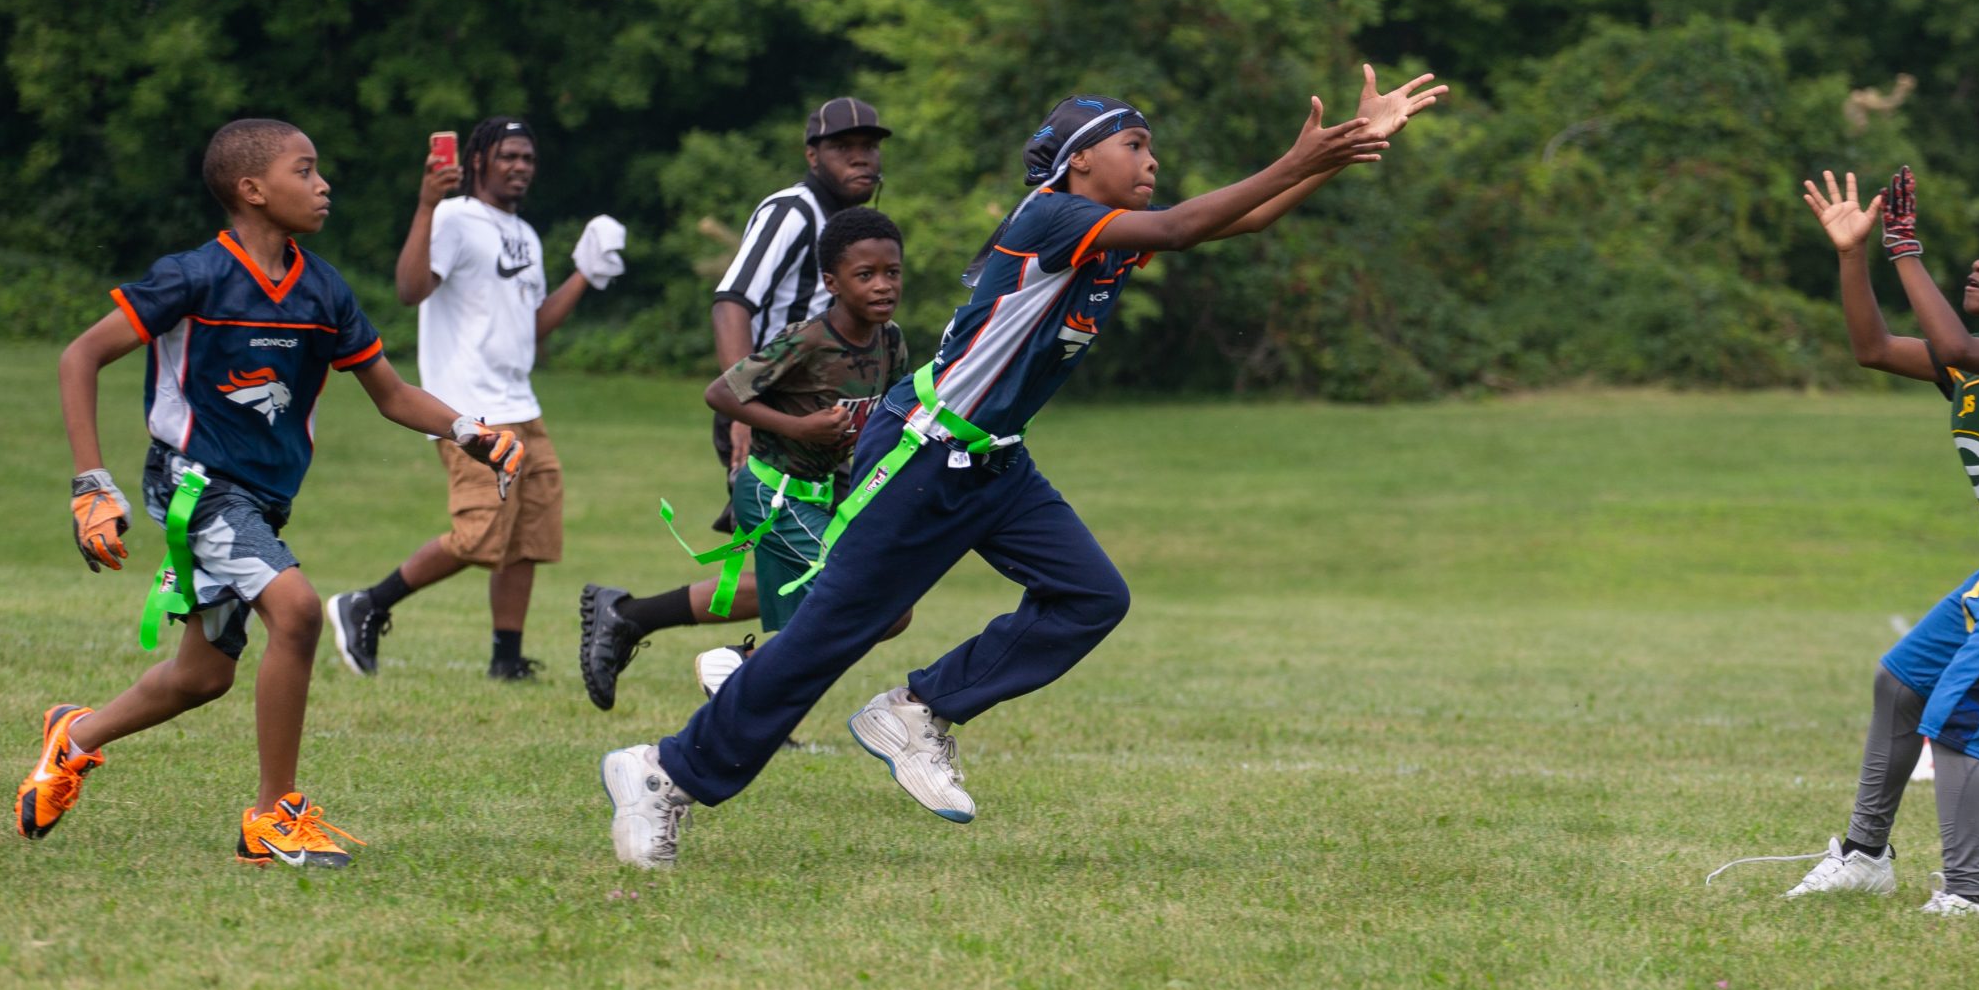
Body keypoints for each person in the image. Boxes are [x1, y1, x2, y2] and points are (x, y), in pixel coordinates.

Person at [601, 68, 1447, 869]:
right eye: (1136, 146)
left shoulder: (1107, 236)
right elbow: (1188, 224)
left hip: (994, 461)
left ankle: (918, 709)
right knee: (828, 634)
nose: (1153, 163)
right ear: (1081, 160)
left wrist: (1350, 151)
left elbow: (1243, 221)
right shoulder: (1050, 217)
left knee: (1090, 596)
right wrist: (1309, 151)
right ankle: (661, 772)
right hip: (923, 451)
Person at [17, 118, 524, 865]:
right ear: (252, 189)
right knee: (295, 611)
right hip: (194, 483)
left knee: (202, 675)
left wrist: (468, 429)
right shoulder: (194, 276)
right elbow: (80, 356)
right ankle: (273, 816)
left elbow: (388, 393)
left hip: (259, 499)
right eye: (305, 170)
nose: (323, 185)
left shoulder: (323, 290)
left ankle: (74, 737)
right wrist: (92, 484)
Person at [1744, 167, 1979, 914]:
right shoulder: (1977, 361)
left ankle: (1965, 891)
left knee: (1955, 721)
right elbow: (1874, 348)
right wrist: (1855, 254)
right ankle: (1863, 855)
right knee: (1901, 683)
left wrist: (1904, 246)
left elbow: (1948, 338)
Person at [578, 206, 916, 712]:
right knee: (854, 598)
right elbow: (722, 393)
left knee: (887, 609)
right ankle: (743, 678)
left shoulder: (890, 343)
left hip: (826, 490)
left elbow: (888, 415)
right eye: (865, 275)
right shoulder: (808, 340)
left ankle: (632, 619)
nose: (882, 285)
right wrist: (800, 427)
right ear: (832, 282)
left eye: (892, 273)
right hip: (771, 492)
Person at [324, 117, 623, 682]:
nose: (520, 167)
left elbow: (532, 329)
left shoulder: (527, 235)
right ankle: (367, 602)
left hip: (522, 404)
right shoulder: (456, 217)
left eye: (528, 158)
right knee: (480, 534)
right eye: (509, 155)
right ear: (479, 160)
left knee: (530, 536)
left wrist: (585, 273)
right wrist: (425, 206)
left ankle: (506, 658)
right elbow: (412, 289)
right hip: (468, 407)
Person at [705, 98, 890, 529]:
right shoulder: (793, 211)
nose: (861, 156)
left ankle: (622, 604)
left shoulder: (854, 223)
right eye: (844, 146)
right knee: (821, 567)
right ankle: (625, 604)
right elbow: (732, 300)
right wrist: (743, 410)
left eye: (870, 146)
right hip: (773, 411)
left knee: (826, 568)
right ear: (812, 155)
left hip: (829, 418)